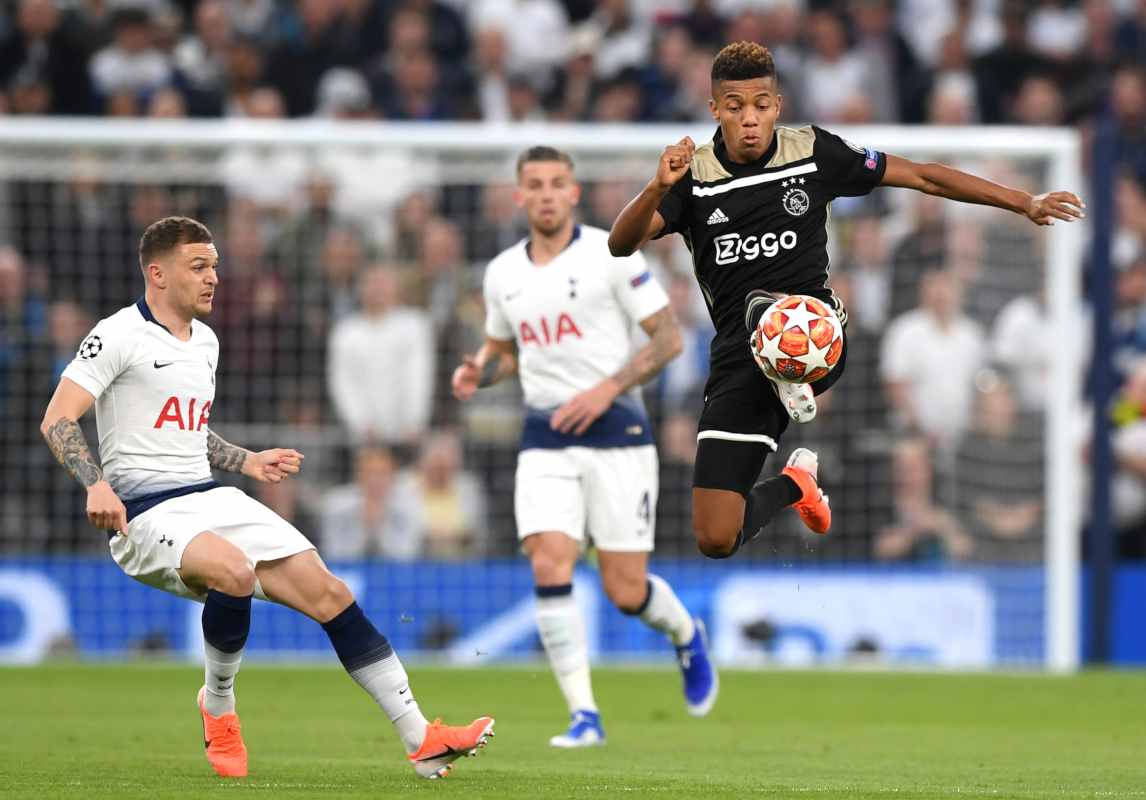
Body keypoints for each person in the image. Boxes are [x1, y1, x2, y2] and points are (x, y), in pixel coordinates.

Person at [39, 217, 493, 780]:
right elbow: (58, 418)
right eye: (198, 267)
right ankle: (219, 706)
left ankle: (421, 739)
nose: (213, 277)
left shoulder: (205, 341)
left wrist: (245, 461)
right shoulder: (117, 334)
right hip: (144, 511)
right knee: (233, 572)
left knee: (331, 593)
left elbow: (186, 431)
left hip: (208, 496)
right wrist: (96, 483)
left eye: (214, 266)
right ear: (157, 274)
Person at [608, 40, 1085, 559]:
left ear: (777, 105)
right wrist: (656, 188)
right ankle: (797, 485)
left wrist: (1023, 201)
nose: (749, 118)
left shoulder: (813, 152)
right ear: (714, 109)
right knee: (715, 536)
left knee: (766, 309)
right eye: (735, 106)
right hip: (738, 363)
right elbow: (620, 244)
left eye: (761, 105)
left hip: (818, 335)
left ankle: (786, 355)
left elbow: (922, 176)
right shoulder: (693, 177)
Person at [452, 147, 717, 748]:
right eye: (535, 184)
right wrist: (478, 373)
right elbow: (505, 354)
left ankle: (685, 635)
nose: (546, 194)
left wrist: (606, 389)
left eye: (557, 184)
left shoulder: (611, 254)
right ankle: (584, 716)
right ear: (519, 196)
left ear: (573, 193)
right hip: (545, 438)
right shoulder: (502, 274)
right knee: (550, 562)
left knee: (626, 591)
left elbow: (669, 340)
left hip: (619, 434)